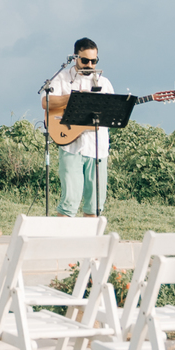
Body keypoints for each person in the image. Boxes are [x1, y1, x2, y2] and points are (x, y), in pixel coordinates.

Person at [44, 37, 114, 216]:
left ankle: (91, 242)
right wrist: (71, 98)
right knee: (69, 202)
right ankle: (61, 241)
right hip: (70, 145)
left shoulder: (104, 83)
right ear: (75, 57)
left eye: (93, 61)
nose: (89, 65)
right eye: (85, 60)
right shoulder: (61, 78)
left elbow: (111, 113)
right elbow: (46, 102)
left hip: (97, 147)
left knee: (95, 204)